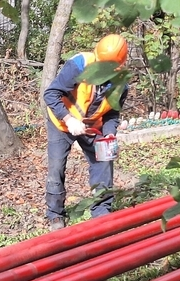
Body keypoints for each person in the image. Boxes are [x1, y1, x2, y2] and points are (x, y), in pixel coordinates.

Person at [43, 34, 130, 231]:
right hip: (62, 122)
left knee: (104, 162)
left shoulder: (121, 84)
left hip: (93, 125)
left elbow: (112, 113)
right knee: (56, 166)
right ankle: (55, 215)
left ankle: (102, 212)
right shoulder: (80, 64)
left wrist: (109, 134)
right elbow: (51, 94)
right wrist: (69, 119)